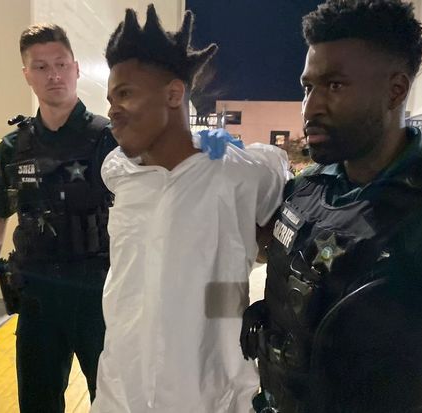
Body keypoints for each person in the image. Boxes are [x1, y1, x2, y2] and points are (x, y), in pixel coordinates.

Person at [240, 1, 422, 412]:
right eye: (308, 88)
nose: (311, 107)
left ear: (395, 89)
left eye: (335, 86)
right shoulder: (305, 189)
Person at [91, 5, 289, 413]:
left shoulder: (238, 172)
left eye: (125, 94)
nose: (112, 109)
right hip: (121, 391)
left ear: (173, 94)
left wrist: (241, 251)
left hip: (208, 393)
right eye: (110, 98)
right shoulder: (118, 172)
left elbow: (278, 215)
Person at [0, 24, 117, 413]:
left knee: (115, 401)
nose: (54, 75)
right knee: (37, 404)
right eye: (41, 66)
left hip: (99, 296)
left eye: (61, 64)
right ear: (26, 75)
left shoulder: (109, 139)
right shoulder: (13, 148)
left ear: (77, 69)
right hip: (38, 301)